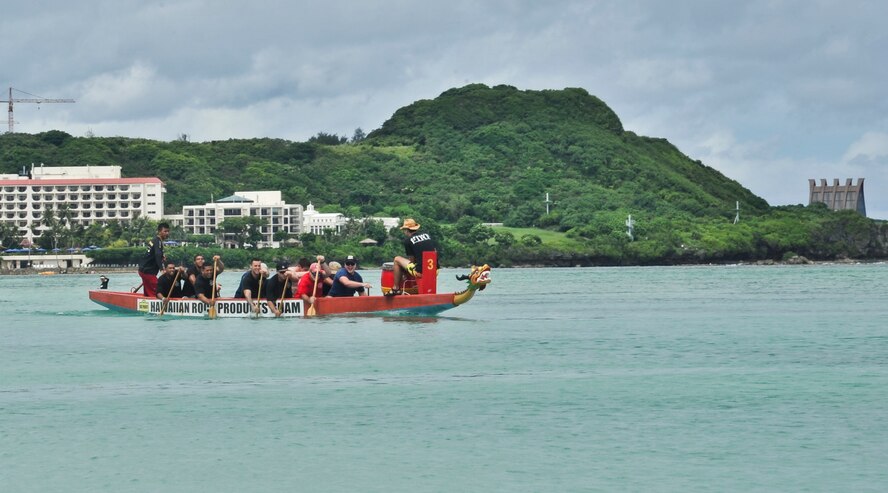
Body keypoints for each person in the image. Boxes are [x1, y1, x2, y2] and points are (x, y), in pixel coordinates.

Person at [389, 218, 438, 296]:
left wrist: (404, 271)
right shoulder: (427, 235)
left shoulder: (408, 241)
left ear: (406, 230)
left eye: (404, 230)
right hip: (435, 270)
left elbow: (412, 261)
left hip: (420, 273)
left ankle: (396, 288)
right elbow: (435, 251)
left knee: (397, 259)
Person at [137, 222, 170, 298]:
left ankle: (145, 301)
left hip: (144, 270)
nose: (167, 233)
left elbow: (155, 254)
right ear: (159, 232)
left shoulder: (155, 240)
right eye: (165, 231)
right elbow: (157, 254)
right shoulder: (158, 241)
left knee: (148, 292)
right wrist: (162, 269)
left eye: (168, 231)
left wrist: (162, 257)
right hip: (148, 272)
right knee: (158, 291)